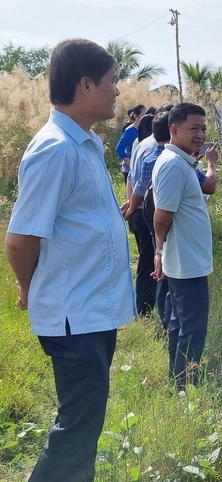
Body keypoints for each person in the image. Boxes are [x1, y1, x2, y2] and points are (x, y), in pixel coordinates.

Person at [5, 38, 135, 482]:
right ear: (85, 84)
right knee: (77, 431)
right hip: (73, 316)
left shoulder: (85, 144)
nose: (118, 90)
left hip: (93, 313)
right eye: (112, 81)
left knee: (86, 425)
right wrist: (28, 288)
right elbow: (21, 240)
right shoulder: (56, 149)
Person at [151, 102, 217, 389]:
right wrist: (159, 251)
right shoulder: (174, 166)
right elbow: (161, 217)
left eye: (203, 128)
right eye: (194, 128)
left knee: (180, 324)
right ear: (174, 129)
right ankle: (188, 385)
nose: (201, 134)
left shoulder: (183, 162)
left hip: (188, 260)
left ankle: (177, 382)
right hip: (185, 263)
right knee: (192, 328)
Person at [115, 103, 146, 180]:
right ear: (136, 116)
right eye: (144, 114)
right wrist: (130, 163)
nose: (146, 116)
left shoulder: (144, 129)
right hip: (130, 170)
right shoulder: (129, 131)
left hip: (141, 167)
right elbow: (119, 148)